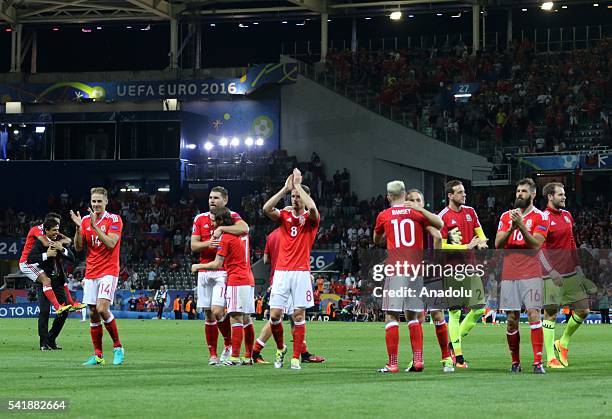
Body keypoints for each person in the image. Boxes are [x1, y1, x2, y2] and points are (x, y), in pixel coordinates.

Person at [373, 180, 443, 373]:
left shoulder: (384, 215)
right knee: (413, 315)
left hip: (396, 269)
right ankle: (418, 361)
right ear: (404, 195)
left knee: (391, 315)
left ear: (388, 197)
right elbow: (439, 226)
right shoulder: (416, 213)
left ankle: (393, 363)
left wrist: (386, 234)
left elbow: (376, 240)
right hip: (416, 270)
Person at [262, 169, 319, 370]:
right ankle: (280, 349)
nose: (295, 199)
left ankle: (296, 357)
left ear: (305, 197)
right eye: (293, 196)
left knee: (298, 316)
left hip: (301, 272)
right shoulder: (284, 214)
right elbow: (266, 208)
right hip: (282, 272)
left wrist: (299, 187)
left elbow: (312, 208)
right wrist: (285, 189)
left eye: (298, 196)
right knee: (275, 316)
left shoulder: (311, 219)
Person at [495, 178, 549, 374]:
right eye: (518, 191)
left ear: (533, 195)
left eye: (524, 191)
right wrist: (512, 226)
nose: (519, 194)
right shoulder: (505, 216)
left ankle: (537, 363)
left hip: (531, 273)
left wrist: (522, 226)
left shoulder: (541, 217)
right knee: (511, 319)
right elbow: (498, 244)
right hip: (509, 273)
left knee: (534, 314)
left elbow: (536, 245)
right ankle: (515, 362)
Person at [191, 186, 250, 365]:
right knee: (208, 314)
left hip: (222, 270)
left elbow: (244, 228)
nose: (212, 201)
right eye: (210, 197)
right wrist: (211, 242)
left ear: (225, 200)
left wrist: (222, 229)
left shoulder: (232, 216)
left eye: (216, 198)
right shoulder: (199, 219)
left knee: (218, 311)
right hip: (204, 271)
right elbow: (194, 246)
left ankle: (228, 344)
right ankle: (213, 355)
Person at [251, 228, 325, 365]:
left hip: (277, 277)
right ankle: (255, 351)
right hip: (291, 278)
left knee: (284, 317)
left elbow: (266, 259)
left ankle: (303, 353)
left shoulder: (272, 235)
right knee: (288, 317)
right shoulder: (296, 233)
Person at [540, 182, 594, 368]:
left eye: (564, 194)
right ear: (550, 197)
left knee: (583, 310)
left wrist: (578, 266)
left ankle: (562, 343)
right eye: (560, 195)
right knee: (551, 314)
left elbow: (571, 242)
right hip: (551, 275)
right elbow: (540, 248)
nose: (564, 197)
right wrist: (550, 271)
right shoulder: (543, 218)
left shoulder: (567, 216)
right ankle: (550, 358)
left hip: (570, 273)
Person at [71, 187, 125, 366]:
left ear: (106, 202)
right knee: (93, 314)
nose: (96, 205)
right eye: (93, 201)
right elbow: (78, 247)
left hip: (109, 270)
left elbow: (111, 243)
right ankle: (98, 355)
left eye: (99, 201)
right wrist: (79, 228)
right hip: (91, 271)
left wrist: (94, 226)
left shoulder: (114, 219)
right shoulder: (85, 220)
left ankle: (118, 347)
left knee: (102, 309)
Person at [438, 180, 488, 368]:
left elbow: (480, 233)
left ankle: (452, 343)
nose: (463, 195)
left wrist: (482, 242)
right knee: (455, 311)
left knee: (480, 309)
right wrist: (464, 246)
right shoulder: (443, 216)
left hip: (471, 266)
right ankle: (458, 357)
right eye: (459, 192)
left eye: (464, 192)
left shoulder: (470, 212)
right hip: (452, 269)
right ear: (450, 195)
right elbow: (440, 245)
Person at [406, 189, 454, 372]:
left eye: (418, 199)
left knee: (433, 315)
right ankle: (443, 359)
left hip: (423, 270)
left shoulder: (423, 219)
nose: (415, 202)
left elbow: (438, 236)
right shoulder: (412, 220)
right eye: (411, 200)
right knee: (426, 316)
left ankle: (441, 358)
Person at [27, 218, 77, 350]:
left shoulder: (59, 242)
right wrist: (46, 254)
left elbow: (72, 258)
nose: (57, 232)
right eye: (54, 230)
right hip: (44, 281)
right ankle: (43, 343)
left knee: (64, 311)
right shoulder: (40, 243)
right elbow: (30, 258)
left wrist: (62, 249)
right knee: (44, 311)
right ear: (47, 230)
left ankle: (51, 339)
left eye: (58, 229)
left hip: (58, 282)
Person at [19, 213, 82, 315]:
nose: (58, 226)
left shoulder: (52, 231)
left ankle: (71, 303)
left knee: (61, 275)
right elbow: (46, 243)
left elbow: (69, 240)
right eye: (56, 223)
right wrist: (60, 243)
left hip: (40, 261)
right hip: (28, 262)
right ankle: (58, 307)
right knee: (46, 280)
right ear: (48, 223)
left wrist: (59, 243)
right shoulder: (37, 230)